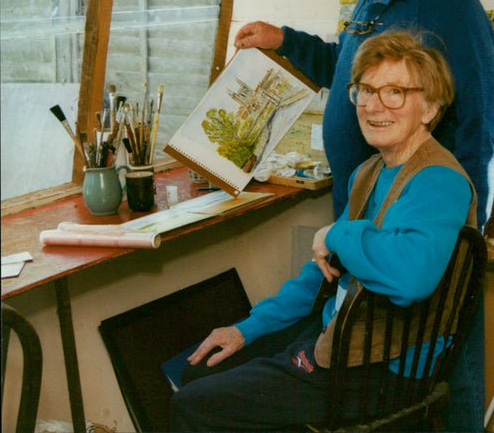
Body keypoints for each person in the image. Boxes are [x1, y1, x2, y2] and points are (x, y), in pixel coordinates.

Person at [234, 0, 494, 431]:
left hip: (422, 226)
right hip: (362, 212)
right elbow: (349, 68)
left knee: (440, 378)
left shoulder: (451, 3)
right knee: (366, 369)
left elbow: (479, 120)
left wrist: (461, 236)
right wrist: (283, 40)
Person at [170, 31, 477, 431]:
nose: (373, 105)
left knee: (192, 405)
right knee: (199, 372)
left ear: (430, 107)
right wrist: (247, 329)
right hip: (339, 335)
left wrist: (335, 234)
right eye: (365, 90)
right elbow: (322, 274)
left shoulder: (438, 180)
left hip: (380, 369)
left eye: (395, 91)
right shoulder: (370, 172)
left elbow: (411, 278)